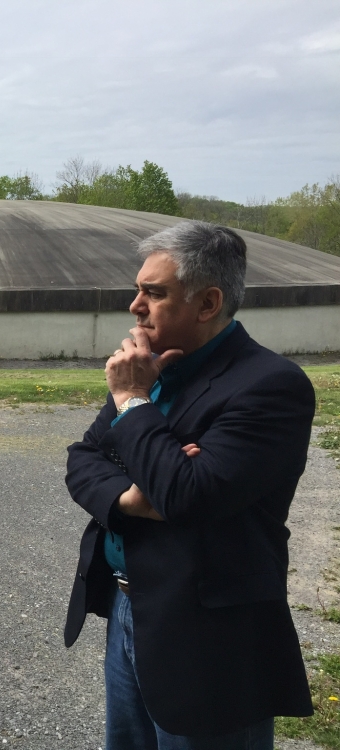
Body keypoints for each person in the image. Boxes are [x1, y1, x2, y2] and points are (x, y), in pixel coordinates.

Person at [64, 221, 315, 749]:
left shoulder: (270, 385)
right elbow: (83, 459)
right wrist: (133, 496)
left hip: (210, 639)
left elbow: (186, 495)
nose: (135, 305)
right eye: (138, 290)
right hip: (129, 609)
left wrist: (133, 403)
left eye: (154, 293)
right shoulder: (155, 370)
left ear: (207, 304)